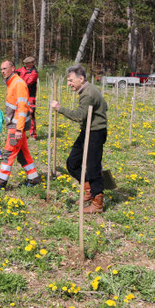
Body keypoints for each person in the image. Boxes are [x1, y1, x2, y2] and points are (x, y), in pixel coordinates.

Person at [51, 65, 108, 214]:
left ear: (81, 79)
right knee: (72, 163)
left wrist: (59, 108)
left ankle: (97, 203)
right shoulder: (89, 90)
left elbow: (78, 116)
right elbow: (104, 106)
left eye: (71, 80)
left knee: (93, 167)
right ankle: (88, 190)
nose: (69, 83)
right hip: (87, 130)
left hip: (95, 133)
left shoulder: (88, 94)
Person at [0, 60, 39, 191]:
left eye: (5, 68)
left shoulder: (18, 84)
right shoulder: (12, 83)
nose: (3, 71)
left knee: (8, 154)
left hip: (16, 128)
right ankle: (34, 179)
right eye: (1, 69)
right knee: (23, 154)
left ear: (13, 68)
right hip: (15, 126)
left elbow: (22, 108)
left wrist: (19, 129)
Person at [16, 56, 39, 139]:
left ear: (32, 63)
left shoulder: (34, 73)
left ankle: (33, 135)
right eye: (25, 64)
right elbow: (14, 73)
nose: (25, 65)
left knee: (31, 114)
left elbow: (27, 84)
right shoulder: (22, 69)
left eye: (27, 64)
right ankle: (20, 131)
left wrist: (18, 83)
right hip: (21, 95)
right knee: (20, 113)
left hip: (30, 96)